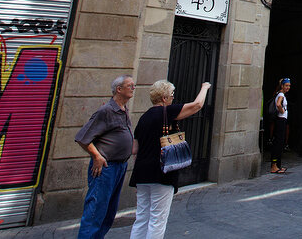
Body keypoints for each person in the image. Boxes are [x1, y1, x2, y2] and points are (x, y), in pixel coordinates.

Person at [128, 80, 211, 239]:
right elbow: (197, 105)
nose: (173, 98)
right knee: (157, 219)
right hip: (161, 173)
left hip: (141, 173)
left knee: (142, 217)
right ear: (164, 98)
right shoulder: (167, 112)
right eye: (172, 95)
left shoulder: (144, 118)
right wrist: (204, 87)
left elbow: (134, 149)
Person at [75, 75, 136, 239]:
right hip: (106, 168)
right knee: (96, 210)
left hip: (120, 166)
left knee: (108, 212)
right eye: (130, 85)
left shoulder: (123, 109)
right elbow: (82, 137)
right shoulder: (106, 111)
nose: (133, 88)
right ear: (119, 89)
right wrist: (97, 156)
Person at [269, 78, 291, 174]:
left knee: (280, 143)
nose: (288, 87)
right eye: (286, 85)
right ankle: (274, 166)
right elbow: (278, 104)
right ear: (282, 86)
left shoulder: (280, 94)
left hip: (281, 121)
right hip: (280, 121)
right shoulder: (281, 94)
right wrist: (282, 111)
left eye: (289, 86)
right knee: (278, 143)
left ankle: (278, 165)